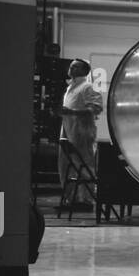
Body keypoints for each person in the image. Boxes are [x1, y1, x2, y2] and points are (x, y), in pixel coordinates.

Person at [57, 59, 103, 207]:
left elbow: (95, 108)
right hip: (68, 130)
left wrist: (72, 112)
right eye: (71, 66)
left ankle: (85, 200)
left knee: (83, 165)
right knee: (66, 165)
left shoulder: (88, 87)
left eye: (76, 66)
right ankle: (71, 198)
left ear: (84, 71)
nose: (71, 68)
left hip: (81, 133)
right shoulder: (70, 88)